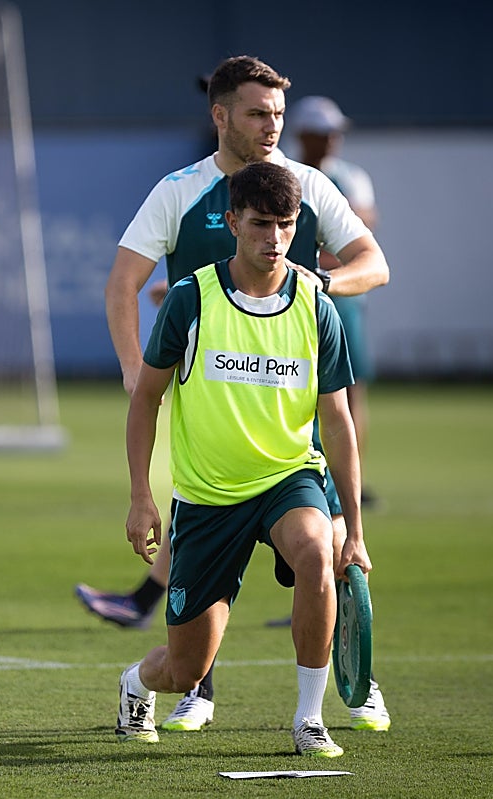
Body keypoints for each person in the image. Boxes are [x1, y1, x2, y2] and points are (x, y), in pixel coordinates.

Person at [76, 55, 391, 732]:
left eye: (278, 113)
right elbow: (122, 284)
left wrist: (320, 285)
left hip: (293, 420)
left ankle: (350, 683)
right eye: (256, 113)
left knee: (332, 551)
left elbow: (374, 264)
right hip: (211, 416)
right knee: (197, 615)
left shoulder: (309, 187)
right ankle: (194, 687)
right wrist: (136, 370)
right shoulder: (180, 192)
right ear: (220, 116)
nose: (271, 125)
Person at [115, 160, 367, 757]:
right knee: (185, 668)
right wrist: (142, 497)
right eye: (260, 224)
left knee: (317, 552)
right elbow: (146, 399)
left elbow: (337, 422)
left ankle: (309, 718)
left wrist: (354, 530)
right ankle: (136, 683)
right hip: (208, 496)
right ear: (232, 222)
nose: (274, 238)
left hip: (288, 478)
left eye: (285, 225)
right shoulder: (190, 299)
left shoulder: (316, 307)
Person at [289, 95, 379, 508]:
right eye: (322, 133)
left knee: (349, 389)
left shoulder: (350, 177)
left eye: (334, 133)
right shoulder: (286, 175)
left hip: (340, 297)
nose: (331, 140)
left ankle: (350, 481)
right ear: (303, 135)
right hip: (294, 295)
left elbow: (360, 232)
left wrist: (318, 266)